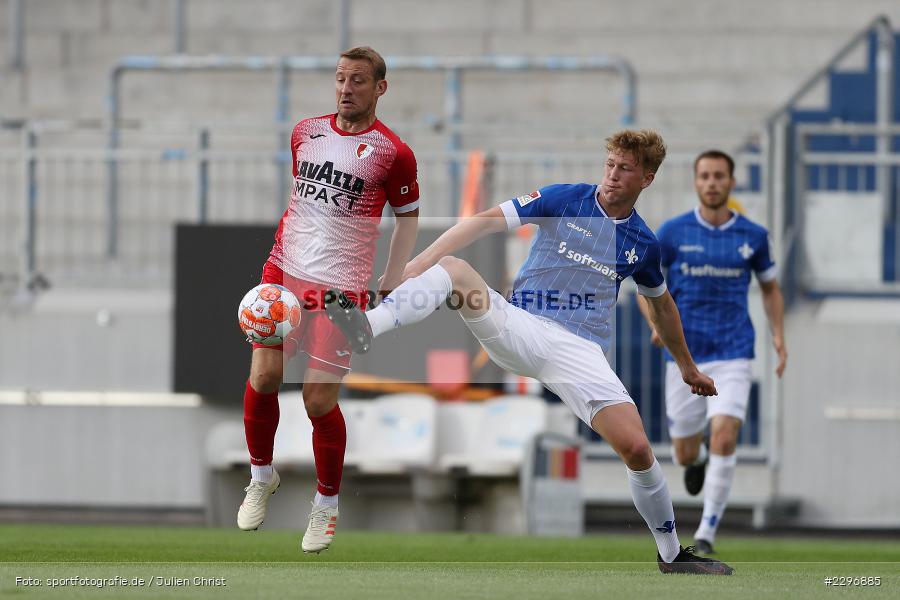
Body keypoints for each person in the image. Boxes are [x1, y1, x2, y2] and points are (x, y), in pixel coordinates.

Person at [327, 130, 734, 575]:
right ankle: (366, 325)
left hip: (580, 352)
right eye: (610, 165)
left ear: (647, 179)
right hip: (518, 325)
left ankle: (672, 554)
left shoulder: (643, 243)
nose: (613, 176)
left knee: (637, 448)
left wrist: (688, 367)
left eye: (626, 169)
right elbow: (483, 221)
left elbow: (662, 305)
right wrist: (417, 264)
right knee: (455, 270)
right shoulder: (564, 198)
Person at [236, 46, 420, 555]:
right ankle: (261, 475)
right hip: (284, 272)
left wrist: (392, 276)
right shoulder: (305, 132)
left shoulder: (392, 153)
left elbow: (408, 217)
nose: (345, 88)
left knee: (318, 401)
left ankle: (326, 505)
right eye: (340, 78)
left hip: (341, 289)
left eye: (357, 80)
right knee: (265, 377)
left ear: (379, 88)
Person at [637, 149, 787, 555]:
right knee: (685, 453)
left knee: (725, 434)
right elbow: (644, 285)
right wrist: (656, 326)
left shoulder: (753, 236)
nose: (712, 183)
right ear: (696, 182)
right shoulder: (672, 232)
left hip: (734, 350)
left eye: (719, 176)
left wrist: (778, 335)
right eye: (705, 176)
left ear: (731, 182)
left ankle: (706, 533)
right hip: (684, 356)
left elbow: (771, 289)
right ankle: (696, 458)